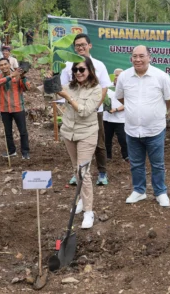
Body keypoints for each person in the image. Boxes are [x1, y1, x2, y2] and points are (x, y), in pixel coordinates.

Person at [115, 45, 170, 207]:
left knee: (157, 164)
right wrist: (134, 110)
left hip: (155, 129)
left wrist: (161, 111)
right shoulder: (124, 77)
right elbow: (120, 97)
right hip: (132, 129)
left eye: (141, 56)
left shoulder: (161, 76)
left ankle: (160, 192)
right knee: (135, 163)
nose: (138, 59)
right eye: (134, 56)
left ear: (150, 57)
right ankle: (139, 191)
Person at [56, 57, 102, 229]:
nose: (78, 73)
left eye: (82, 70)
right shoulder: (70, 86)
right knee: (76, 168)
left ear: (89, 70)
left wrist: (67, 97)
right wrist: (48, 81)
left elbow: (84, 111)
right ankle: (82, 199)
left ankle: (89, 211)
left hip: (87, 133)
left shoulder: (96, 90)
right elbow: (47, 93)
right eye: (75, 70)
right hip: (69, 132)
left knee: (84, 171)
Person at [60, 34, 112, 186]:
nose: (80, 47)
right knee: (74, 141)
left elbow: (104, 89)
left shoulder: (99, 65)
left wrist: (92, 107)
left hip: (94, 110)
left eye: (83, 44)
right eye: (77, 45)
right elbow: (63, 88)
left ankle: (102, 173)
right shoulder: (69, 65)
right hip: (73, 111)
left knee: (99, 143)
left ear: (90, 46)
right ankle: (77, 174)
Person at [0, 58, 31, 159]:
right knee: (8, 131)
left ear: (9, 64)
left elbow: (27, 88)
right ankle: (11, 151)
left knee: (23, 131)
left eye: (5, 64)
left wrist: (23, 77)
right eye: (1, 65)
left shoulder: (18, 75)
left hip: (18, 107)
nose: (4, 66)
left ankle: (25, 152)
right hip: (4, 108)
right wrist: (11, 76)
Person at [103, 69, 129, 162]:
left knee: (123, 139)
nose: (117, 77)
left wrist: (116, 109)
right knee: (107, 139)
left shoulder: (127, 87)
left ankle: (126, 156)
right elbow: (102, 98)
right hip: (107, 119)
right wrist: (106, 107)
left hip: (121, 119)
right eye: (116, 75)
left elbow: (128, 103)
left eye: (120, 75)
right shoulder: (107, 87)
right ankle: (107, 156)